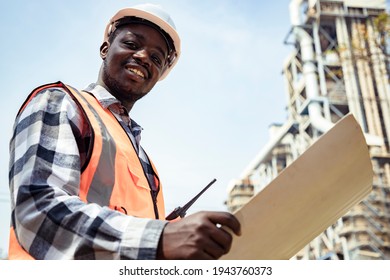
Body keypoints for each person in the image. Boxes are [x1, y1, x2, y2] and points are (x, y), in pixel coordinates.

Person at [8, 3, 241, 260]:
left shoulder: (145, 162)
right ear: (105, 49)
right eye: (131, 44)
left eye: (156, 58)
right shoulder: (62, 103)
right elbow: (38, 211)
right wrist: (160, 238)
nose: (143, 57)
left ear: (160, 73)